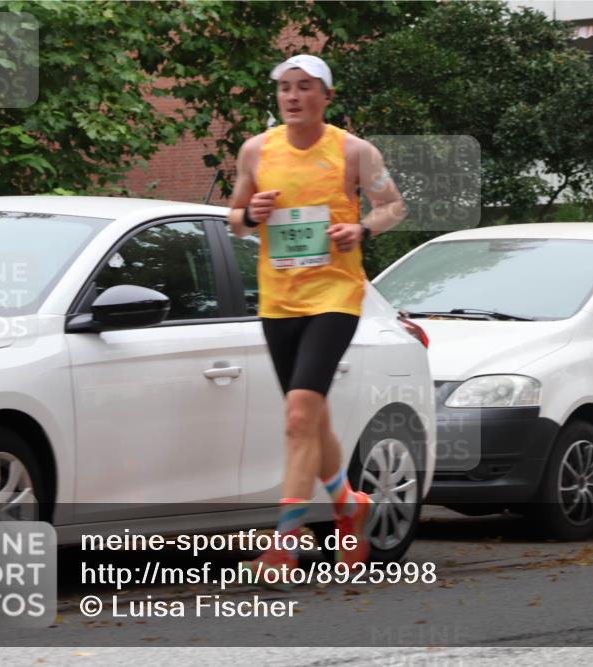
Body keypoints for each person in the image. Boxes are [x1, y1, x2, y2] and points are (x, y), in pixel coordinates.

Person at [228, 54, 405, 586]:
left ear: (326, 96)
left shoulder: (355, 151)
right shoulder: (256, 150)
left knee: (298, 417)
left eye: (305, 88)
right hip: (278, 299)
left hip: (335, 295)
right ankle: (349, 505)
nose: (292, 97)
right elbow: (234, 220)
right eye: (285, 88)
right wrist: (250, 214)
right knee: (312, 416)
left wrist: (363, 230)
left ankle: (286, 540)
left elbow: (393, 206)